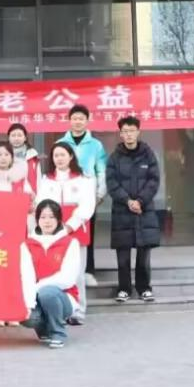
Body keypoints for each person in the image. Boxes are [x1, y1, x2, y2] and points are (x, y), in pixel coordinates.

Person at [34, 141, 95, 325]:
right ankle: (57, 310)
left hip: (76, 232)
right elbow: (40, 205)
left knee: (77, 273)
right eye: (56, 155)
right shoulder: (46, 180)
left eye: (62, 155)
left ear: (70, 156)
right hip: (51, 233)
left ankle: (78, 311)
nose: (59, 159)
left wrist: (69, 226)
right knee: (54, 271)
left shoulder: (83, 179)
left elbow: (87, 206)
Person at [106, 116, 161, 303]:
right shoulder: (114, 157)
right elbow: (112, 183)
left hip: (144, 210)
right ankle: (124, 289)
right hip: (122, 211)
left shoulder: (148, 155)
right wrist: (128, 201)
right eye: (125, 131)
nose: (129, 134)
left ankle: (144, 288)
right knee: (123, 254)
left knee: (144, 253)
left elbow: (154, 180)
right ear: (120, 134)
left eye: (132, 131)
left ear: (138, 132)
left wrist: (140, 201)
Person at [0, 141, 30, 327]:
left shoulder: (21, 178)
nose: (3, 158)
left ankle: (12, 311)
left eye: (6, 154)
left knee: (14, 271)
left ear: (12, 157)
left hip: (15, 231)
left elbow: (30, 201)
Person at [57, 104, 108, 285]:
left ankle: (88, 271)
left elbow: (101, 170)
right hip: (65, 197)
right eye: (74, 118)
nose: (78, 122)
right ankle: (64, 268)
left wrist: (100, 194)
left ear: (87, 121)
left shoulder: (96, 145)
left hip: (87, 196)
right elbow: (55, 169)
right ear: (69, 120)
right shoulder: (60, 143)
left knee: (87, 234)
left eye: (81, 119)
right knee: (64, 232)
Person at [19, 200, 81, 349]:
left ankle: (58, 333)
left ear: (59, 219)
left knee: (48, 293)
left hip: (63, 296)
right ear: (37, 219)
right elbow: (26, 276)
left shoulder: (70, 243)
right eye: (43, 217)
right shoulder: (27, 245)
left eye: (51, 217)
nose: (47, 221)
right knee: (27, 316)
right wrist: (27, 304)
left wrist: (38, 286)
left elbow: (67, 278)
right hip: (35, 295)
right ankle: (43, 329)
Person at [7, 123, 42, 193]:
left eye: (19, 135)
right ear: (9, 137)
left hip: (29, 194)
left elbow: (38, 179)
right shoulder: (3, 155)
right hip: (8, 194)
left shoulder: (32, 155)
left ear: (25, 138)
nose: (16, 138)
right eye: (13, 135)